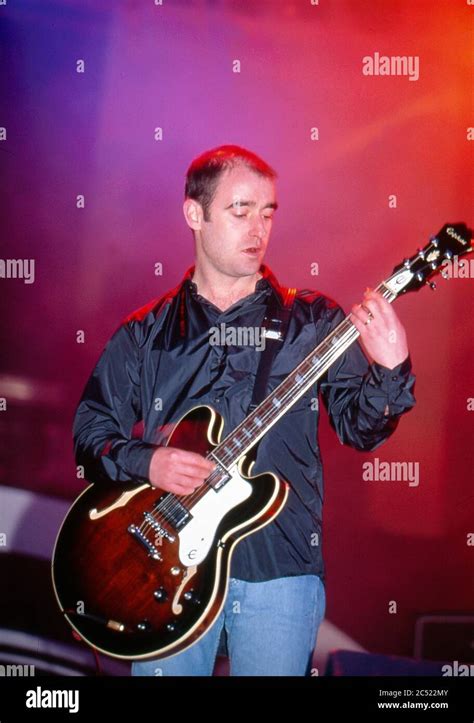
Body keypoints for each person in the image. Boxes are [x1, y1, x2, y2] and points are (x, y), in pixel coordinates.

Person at [73, 144, 416, 676]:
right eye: (240, 210)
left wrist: (390, 373)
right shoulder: (146, 333)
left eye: (268, 212)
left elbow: (360, 430)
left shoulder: (313, 321)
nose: (258, 228)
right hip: (160, 569)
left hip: (279, 565)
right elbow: (91, 433)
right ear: (195, 213)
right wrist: (148, 462)